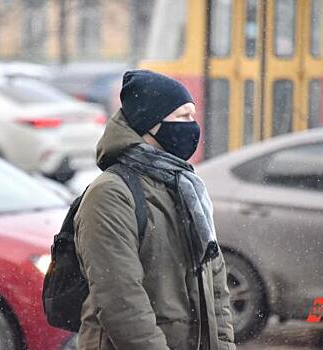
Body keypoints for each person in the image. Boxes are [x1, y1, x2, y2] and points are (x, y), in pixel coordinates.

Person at [74, 70, 236, 350]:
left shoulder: (184, 188)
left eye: (192, 116)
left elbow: (215, 290)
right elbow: (121, 301)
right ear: (150, 123)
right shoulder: (111, 194)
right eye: (182, 116)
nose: (192, 126)